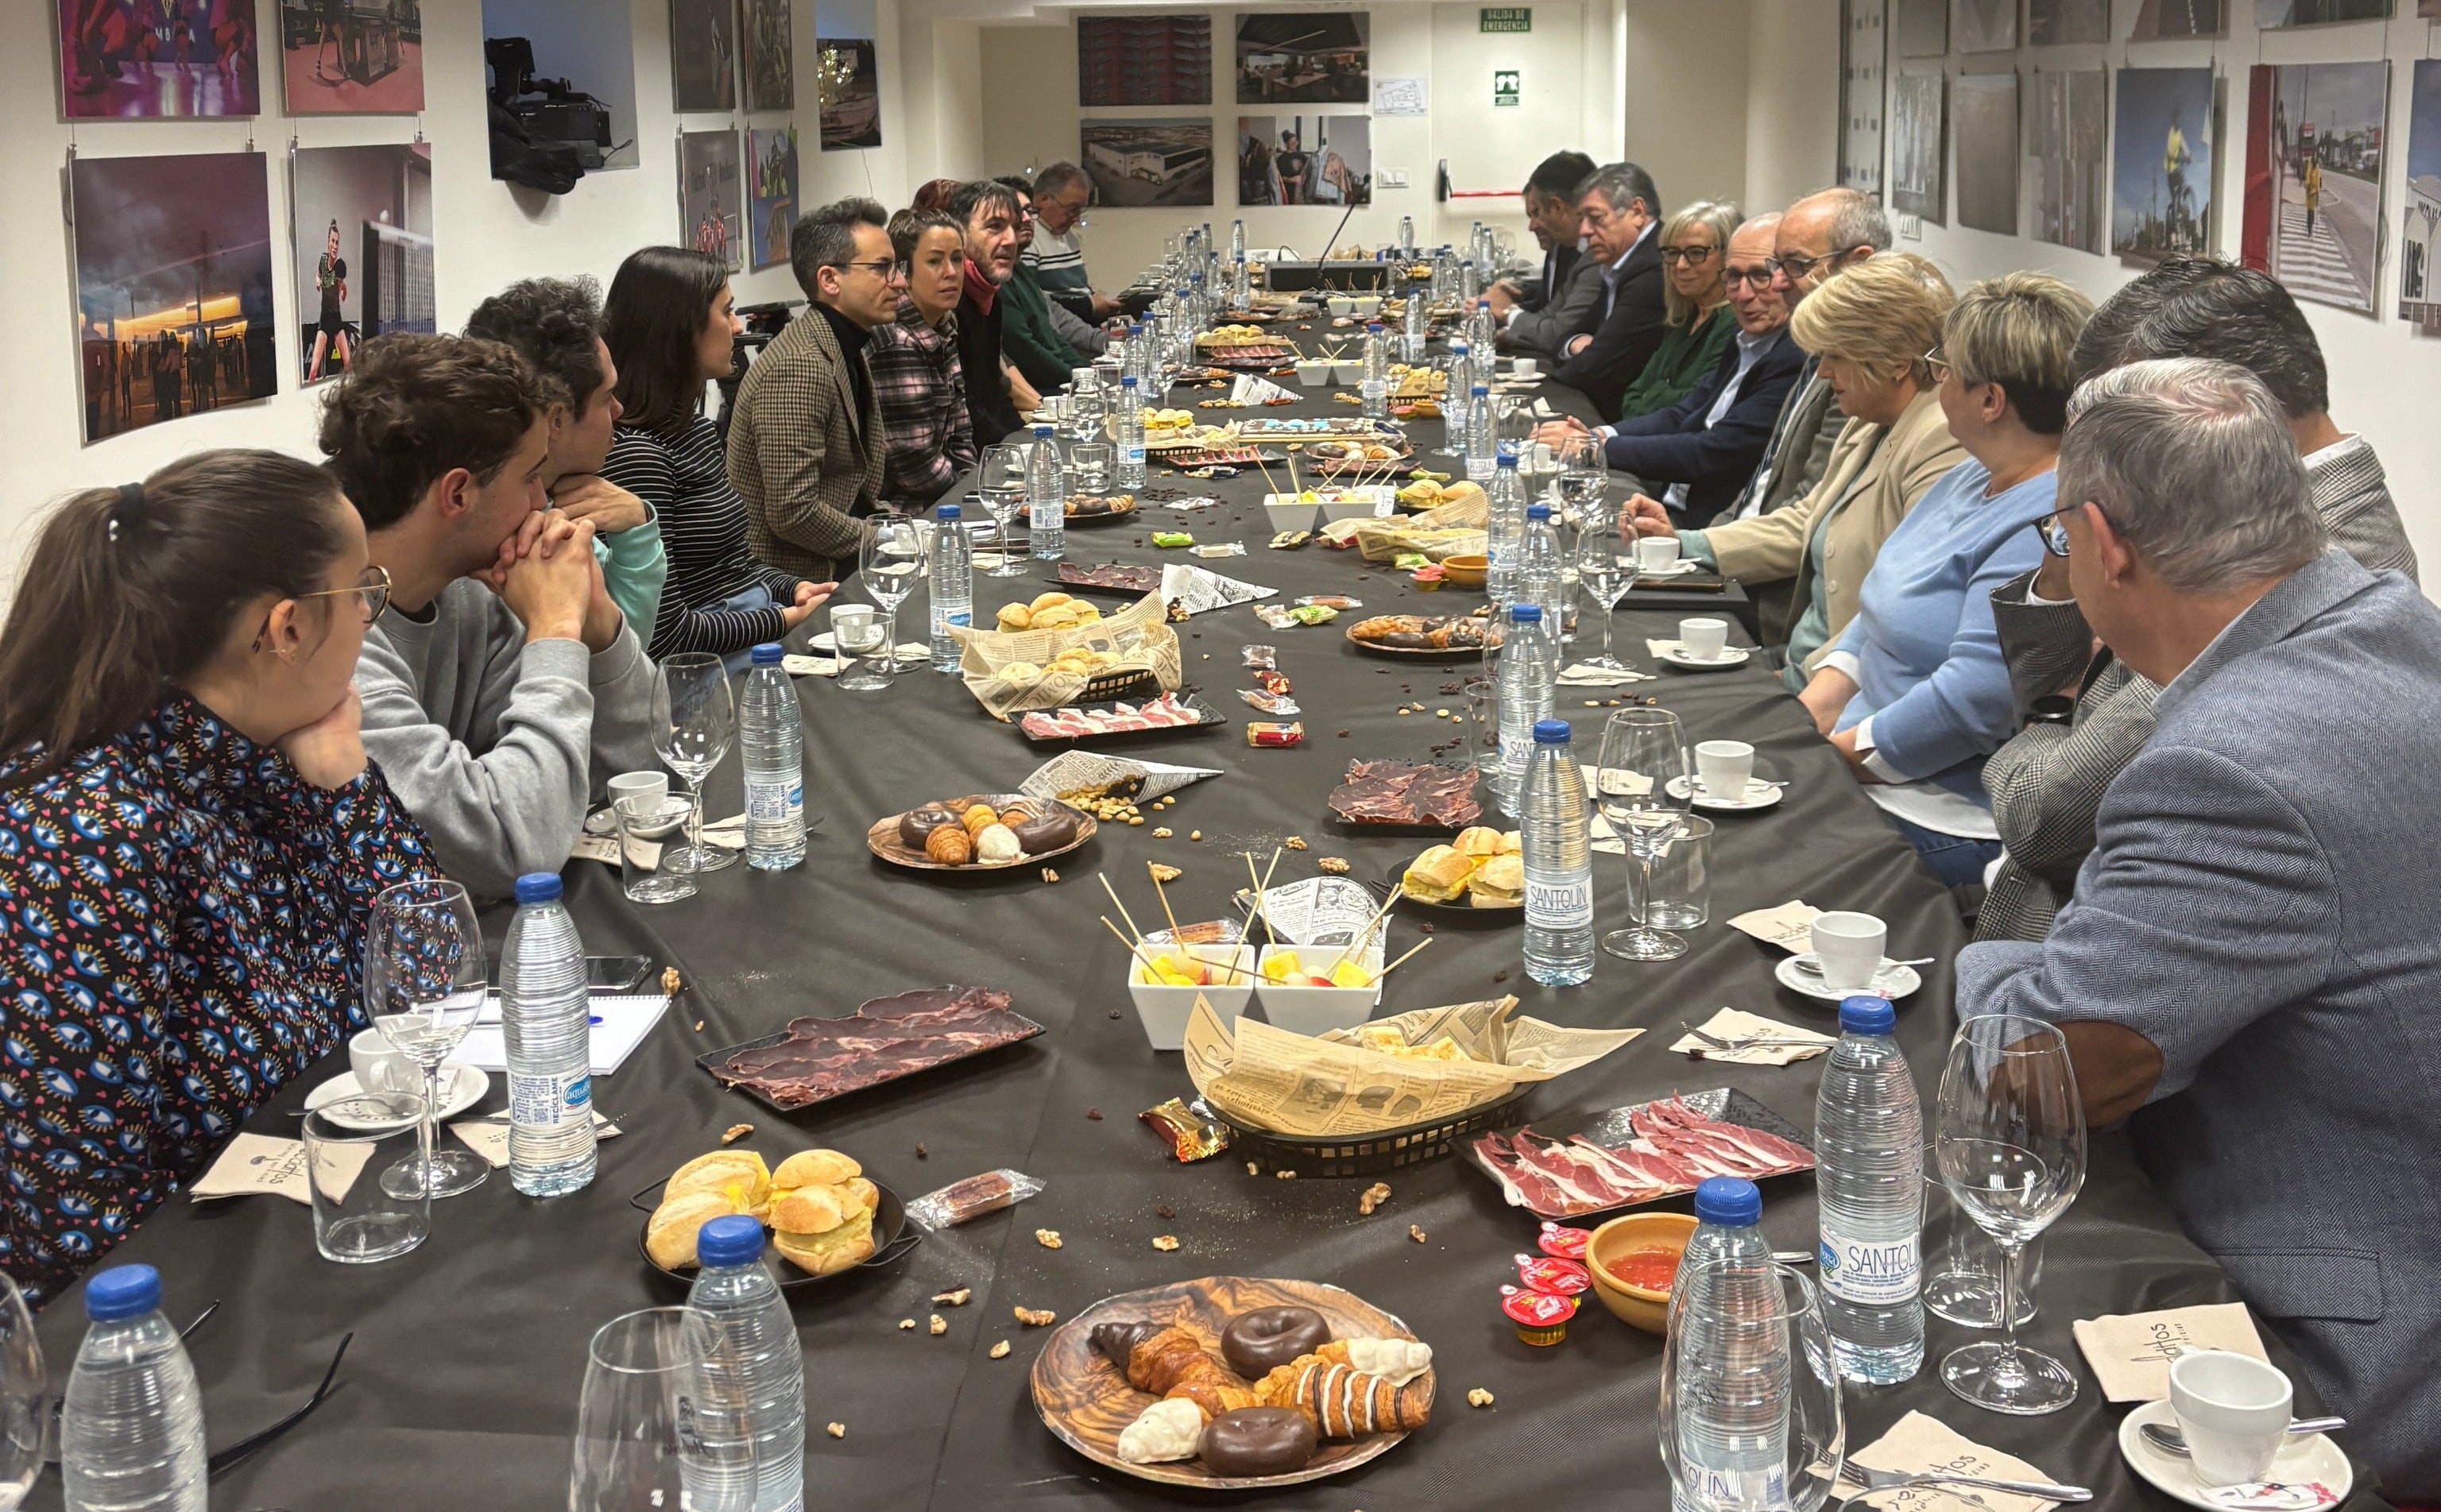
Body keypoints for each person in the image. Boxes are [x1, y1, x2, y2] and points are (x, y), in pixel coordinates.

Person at [1956, 358, 2441, 1499]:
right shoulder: (2392, 623)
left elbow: (2043, 1065)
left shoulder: (2231, 763)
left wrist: (1974, 950)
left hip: (2334, 1342)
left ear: (2103, 541)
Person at [0, 452, 437, 1303]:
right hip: (203, 1311)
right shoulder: (85, 836)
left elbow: (424, 989)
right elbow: (72, 1227)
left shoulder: (262, 752)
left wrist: (347, 781)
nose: (368, 619)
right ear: (285, 630)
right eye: (359, 593)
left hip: (319, 1229)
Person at [1976, 259, 2418, 942]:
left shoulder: (2312, 569)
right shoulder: (2197, 510)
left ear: (2216, 409)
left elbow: (2045, 814)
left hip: (2101, 947)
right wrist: (2070, 546)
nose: (2092, 455)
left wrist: (2050, 715)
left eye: (2114, 429)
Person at [323, 334, 660, 897]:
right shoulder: (334, 647)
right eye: (530, 476)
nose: (541, 505)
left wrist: (596, 624)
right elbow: (518, 845)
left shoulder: (472, 591)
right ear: (458, 493)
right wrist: (555, 631)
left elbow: (636, 779)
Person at [1794, 273, 2092, 888]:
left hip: (1936, 810)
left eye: (1944, 367)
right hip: (1862, 764)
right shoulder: (1970, 476)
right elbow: (1878, 614)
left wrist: (1834, 759)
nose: (1935, 380)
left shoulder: (2048, 519)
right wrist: (1812, 710)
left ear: (1990, 400)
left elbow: (1974, 702)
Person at [1631, 254, 1964, 672]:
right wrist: (1686, 544)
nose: (1822, 372)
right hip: (1800, 661)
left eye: (1834, 357)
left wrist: (1800, 684)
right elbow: (1805, 520)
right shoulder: (1870, 419)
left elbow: (1908, 606)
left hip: (1837, 679)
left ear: (1896, 362)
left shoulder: (1941, 437)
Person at [600, 247, 834, 667]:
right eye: (726, 312)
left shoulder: (696, 430)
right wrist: (784, 618)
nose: (737, 326)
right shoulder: (639, 457)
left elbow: (737, 566)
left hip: (747, 631)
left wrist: (795, 588)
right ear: (679, 330)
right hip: (704, 672)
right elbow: (667, 635)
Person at [1533, 216, 1803, 527]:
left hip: (1710, 524)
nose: (1742, 294)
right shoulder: (1744, 337)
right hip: (1671, 498)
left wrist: (1597, 449)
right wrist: (1597, 436)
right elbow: (1682, 412)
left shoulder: (1792, 355)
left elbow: (1715, 452)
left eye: (1760, 276)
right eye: (1734, 276)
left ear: (1789, 277)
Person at [464, 276, 669, 638]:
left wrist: (636, 528)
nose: (619, 411)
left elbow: (616, 650)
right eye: (607, 398)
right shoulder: (499, 539)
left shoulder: (549, 503)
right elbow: (613, 663)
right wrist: (638, 542)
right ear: (556, 419)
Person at [727, 197, 899, 586]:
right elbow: (794, 511)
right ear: (830, 280)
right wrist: (887, 539)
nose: (899, 281)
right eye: (882, 268)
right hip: (799, 582)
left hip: (840, 561)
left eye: (897, 267)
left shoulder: (842, 343)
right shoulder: (800, 366)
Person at [1710, 188, 1893, 532]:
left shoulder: (1869, 368)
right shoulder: (1816, 345)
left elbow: (1809, 517)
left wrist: (1699, 547)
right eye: (1776, 264)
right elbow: (1761, 484)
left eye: (1795, 265)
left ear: (1859, 262)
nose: (1777, 283)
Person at [869, 208, 979, 509]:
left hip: (947, 496)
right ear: (904, 272)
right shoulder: (896, 341)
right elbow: (915, 468)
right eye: (934, 261)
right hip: (906, 514)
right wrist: (971, 493)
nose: (951, 272)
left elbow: (962, 432)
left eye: (957, 259)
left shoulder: (943, 324)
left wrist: (971, 484)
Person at [1549, 161, 1668, 420]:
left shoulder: (1653, 269)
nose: (1584, 231)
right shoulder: (1620, 263)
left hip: (1630, 420)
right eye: (1582, 220)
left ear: (1637, 211)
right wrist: (1574, 346)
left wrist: (1584, 355)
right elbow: (1565, 336)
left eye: (1595, 218)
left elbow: (1592, 370)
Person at [1610, 199, 1743, 421]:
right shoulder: (1684, 318)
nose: (1680, 265)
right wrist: (1665, 394)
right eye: (1672, 253)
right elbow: (1631, 398)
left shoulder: (1734, 322)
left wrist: (1656, 393)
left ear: (1728, 257)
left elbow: (1698, 407)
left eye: (1696, 252)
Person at [994, 176, 1102, 395]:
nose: (1027, 219)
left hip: (1059, 380)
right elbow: (1027, 351)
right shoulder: (1000, 279)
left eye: (1030, 211)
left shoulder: (1021, 270)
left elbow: (1054, 338)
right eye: (1017, 212)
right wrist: (1081, 380)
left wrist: (1089, 373)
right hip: (1045, 389)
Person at [1489, 151, 1600, 362]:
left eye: (1537, 213)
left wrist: (1505, 312)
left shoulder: (1595, 255)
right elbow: (1550, 312)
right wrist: (1510, 328)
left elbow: (1558, 331)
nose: (1532, 226)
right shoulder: (1574, 248)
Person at [952, 179, 1030, 446]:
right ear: (959, 233)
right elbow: (969, 409)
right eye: (995, 226)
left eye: (1015, 228)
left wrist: (1027, 436)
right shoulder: (950, 301)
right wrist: (1017, 448)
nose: (1011, 240)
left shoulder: (989, 295)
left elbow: (993, 392)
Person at [1025, 160, 1119, 323]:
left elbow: (1078, 287)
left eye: (1080, 210)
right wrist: (1090, 305)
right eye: (1072, 209)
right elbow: (1035, 305)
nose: (1076, 218)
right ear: (1044, 200)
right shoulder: (1028, 240)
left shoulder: (1069, 237)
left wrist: (1095, 298)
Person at [307, 219, 351, 384]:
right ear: (328, 242)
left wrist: (343, 290)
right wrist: (317, 280)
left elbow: (342, 285)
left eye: (337, 242)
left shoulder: (339, 264)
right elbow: (318, 275)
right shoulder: (323, 260)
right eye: (332, 241)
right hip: (325, 321)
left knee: (348, 365)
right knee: (313, 371)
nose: (335, 245)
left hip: (337, 320)